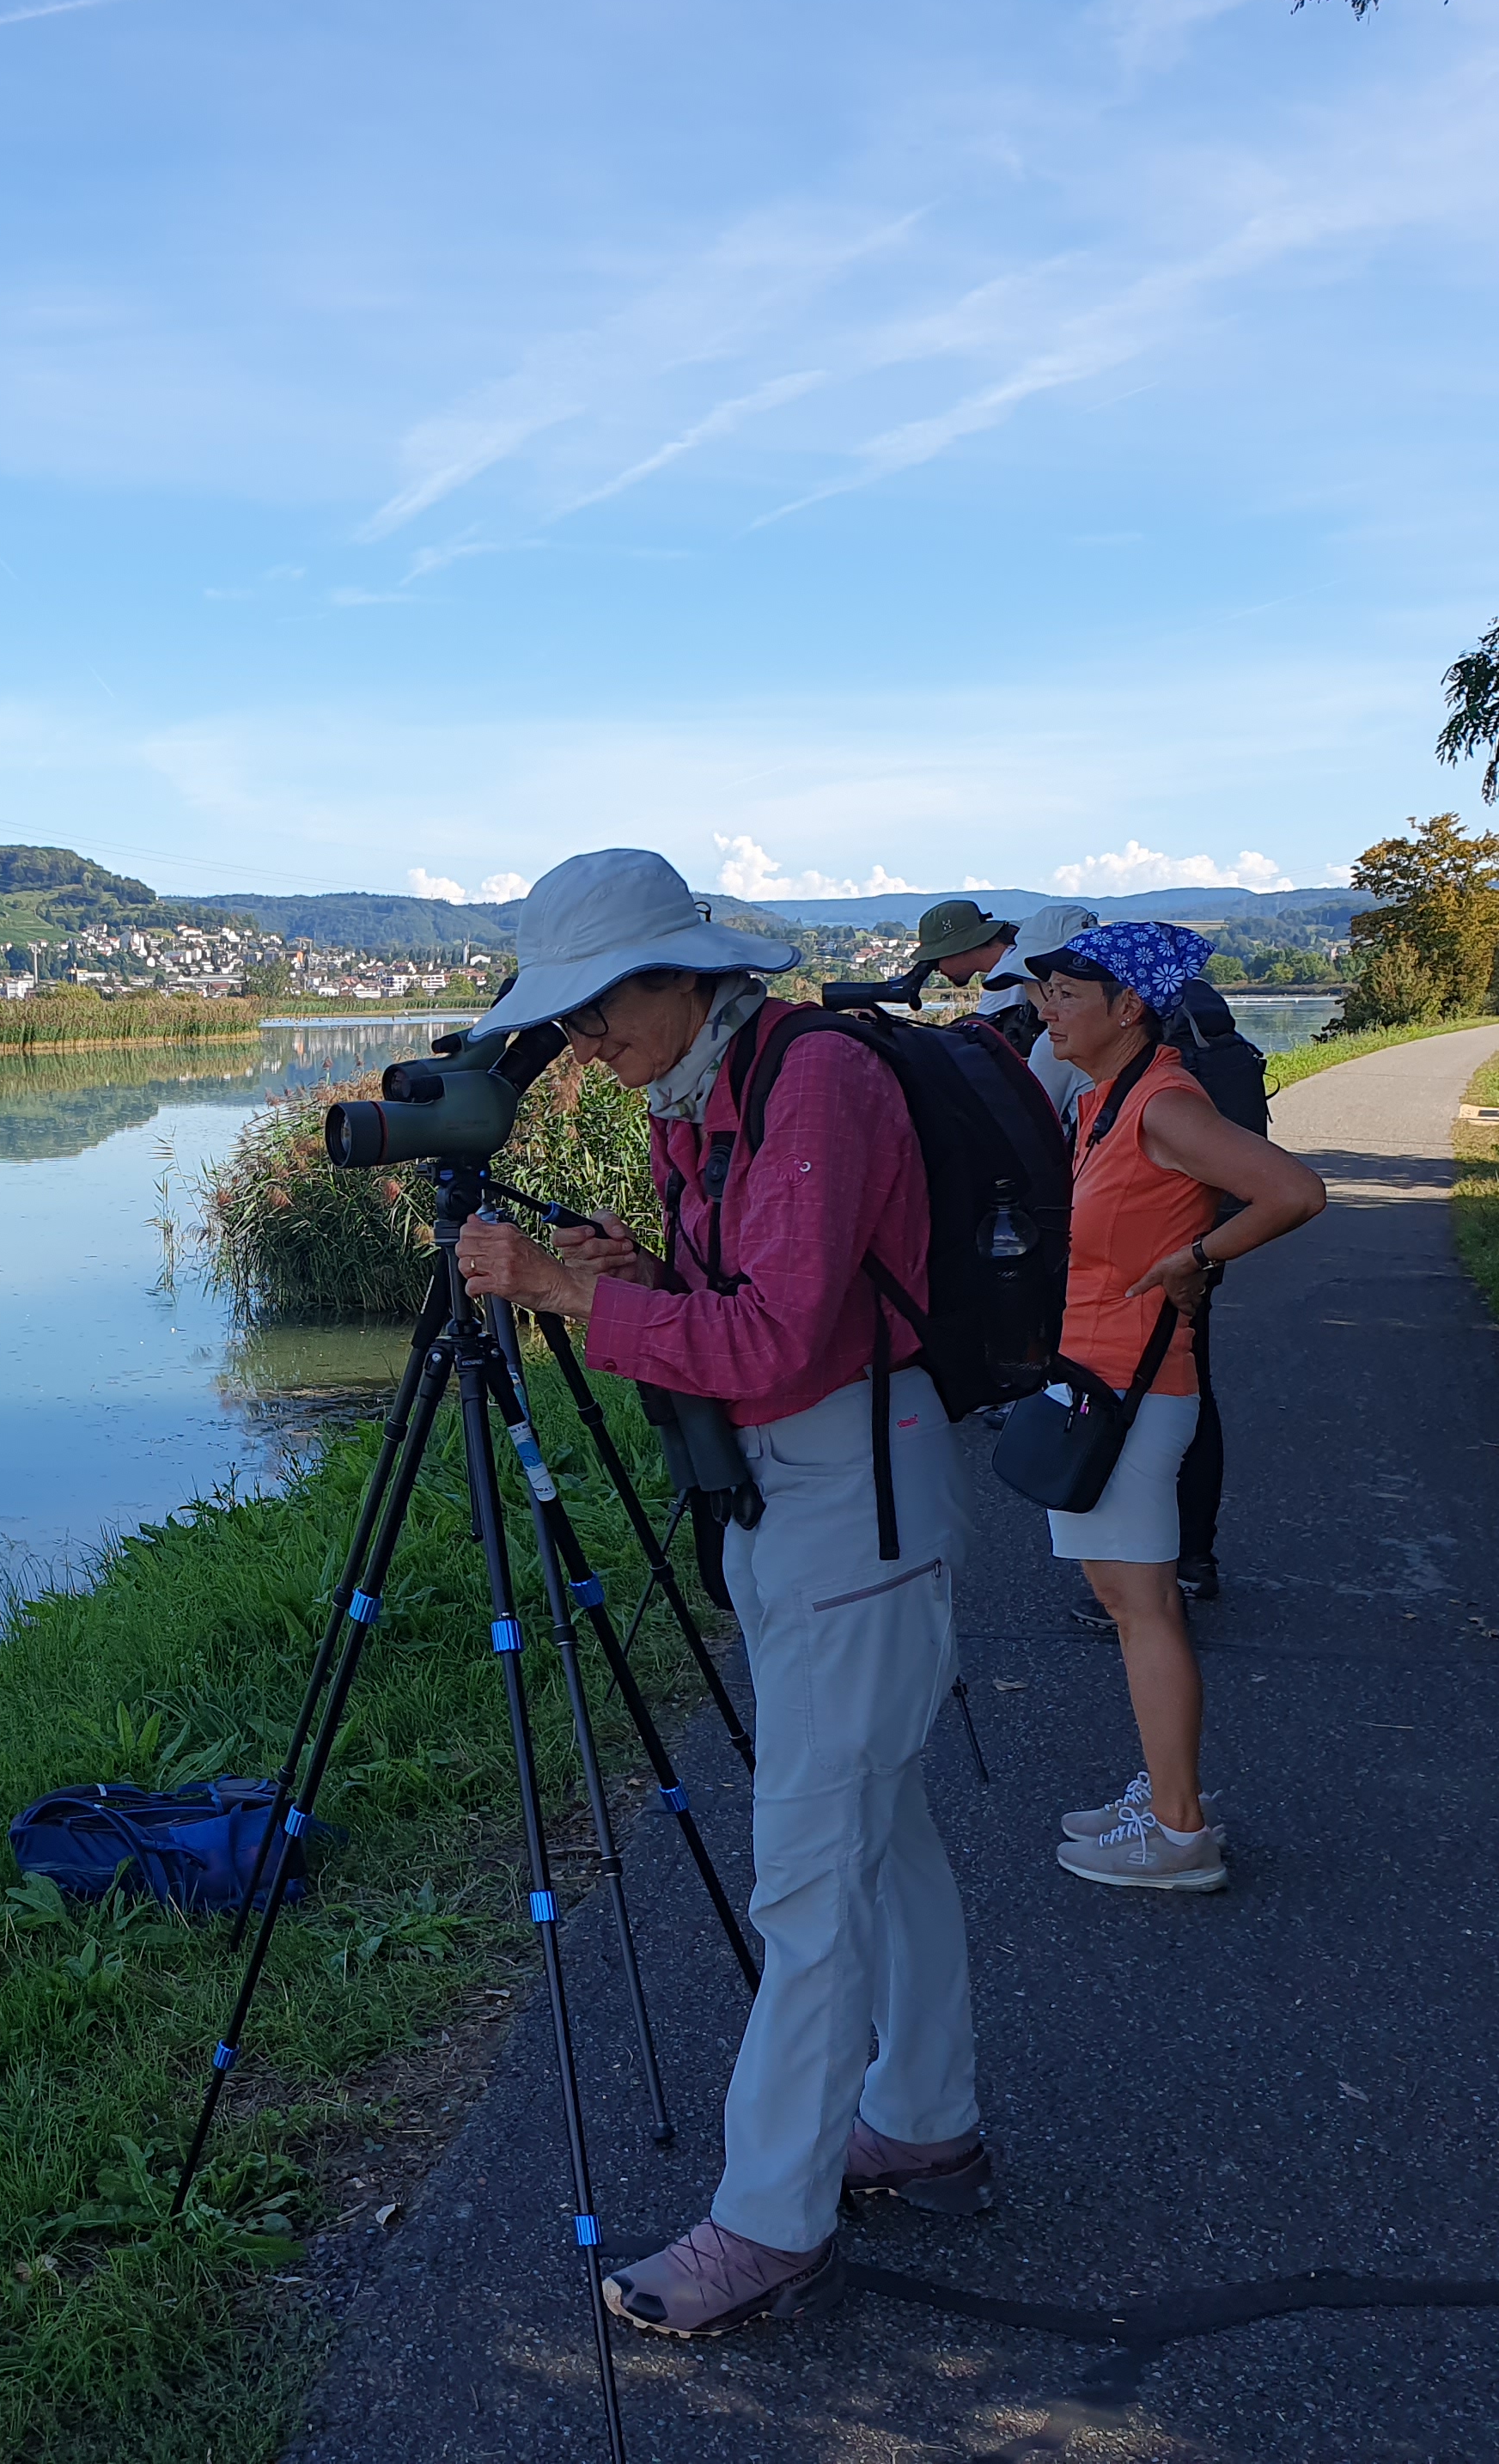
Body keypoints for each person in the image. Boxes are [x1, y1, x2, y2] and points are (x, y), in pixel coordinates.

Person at [454, 848, 990, 2342]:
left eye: (595, 1008)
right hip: (809, 1492)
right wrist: (640, 1271)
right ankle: (927, 2113)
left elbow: (772, 1340)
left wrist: (569, 1295)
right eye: (561, 1021)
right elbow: (751, 1307)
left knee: (809, 1872)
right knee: (877, 1832)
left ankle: (768, 2220)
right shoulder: (710, 1087)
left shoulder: (808, 1081)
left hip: (849, 1496)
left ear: (684, 974)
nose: (583, 1043)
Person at [1026, 923, 1325, 1892]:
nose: (1047, 1009)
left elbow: (1292, 1190)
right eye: (1048, 993)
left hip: (1137, 1390)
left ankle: (1179, 1829)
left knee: (1144, 1606)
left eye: (1069, 993)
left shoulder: (1163, 1100)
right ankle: (1162, 1794)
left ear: (1129, 1010)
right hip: (1094, 1382)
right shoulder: (1104, 1100)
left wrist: (1197, 1260)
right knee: (1124, 1599)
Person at [981, 900, 1099, 1117]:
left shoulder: (1059, 1042)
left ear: (1047, 984)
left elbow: (1029, 1126)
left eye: (1025, 983)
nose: (1041, 1010)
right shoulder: (1125, 1025)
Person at [911, 896, 1016, 992]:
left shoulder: (1005, 979)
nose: (936, 969)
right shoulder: (1018, 958)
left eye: (936, 958)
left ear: (958, 949)